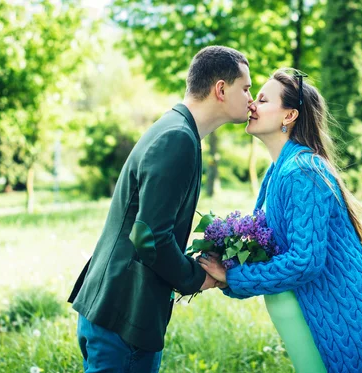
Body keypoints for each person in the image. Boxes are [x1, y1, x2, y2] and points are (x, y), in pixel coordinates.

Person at [199, 69, 362, 373]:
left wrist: (233, 277)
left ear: (289, 116)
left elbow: (304, 261)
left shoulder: (303, 172)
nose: (251, 105)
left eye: (263, 99)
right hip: (332, 321)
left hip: (356, 325)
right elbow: (268, 248)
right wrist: (221, 270)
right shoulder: (278, 171)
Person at [68, 45, 253, 373]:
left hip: (118, 308)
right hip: (123, 313)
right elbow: (149, 235)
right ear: (221, 89)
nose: (251, 99)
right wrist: (196, 278)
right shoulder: (177, 138)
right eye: (247, 88)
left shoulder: (179, 130)